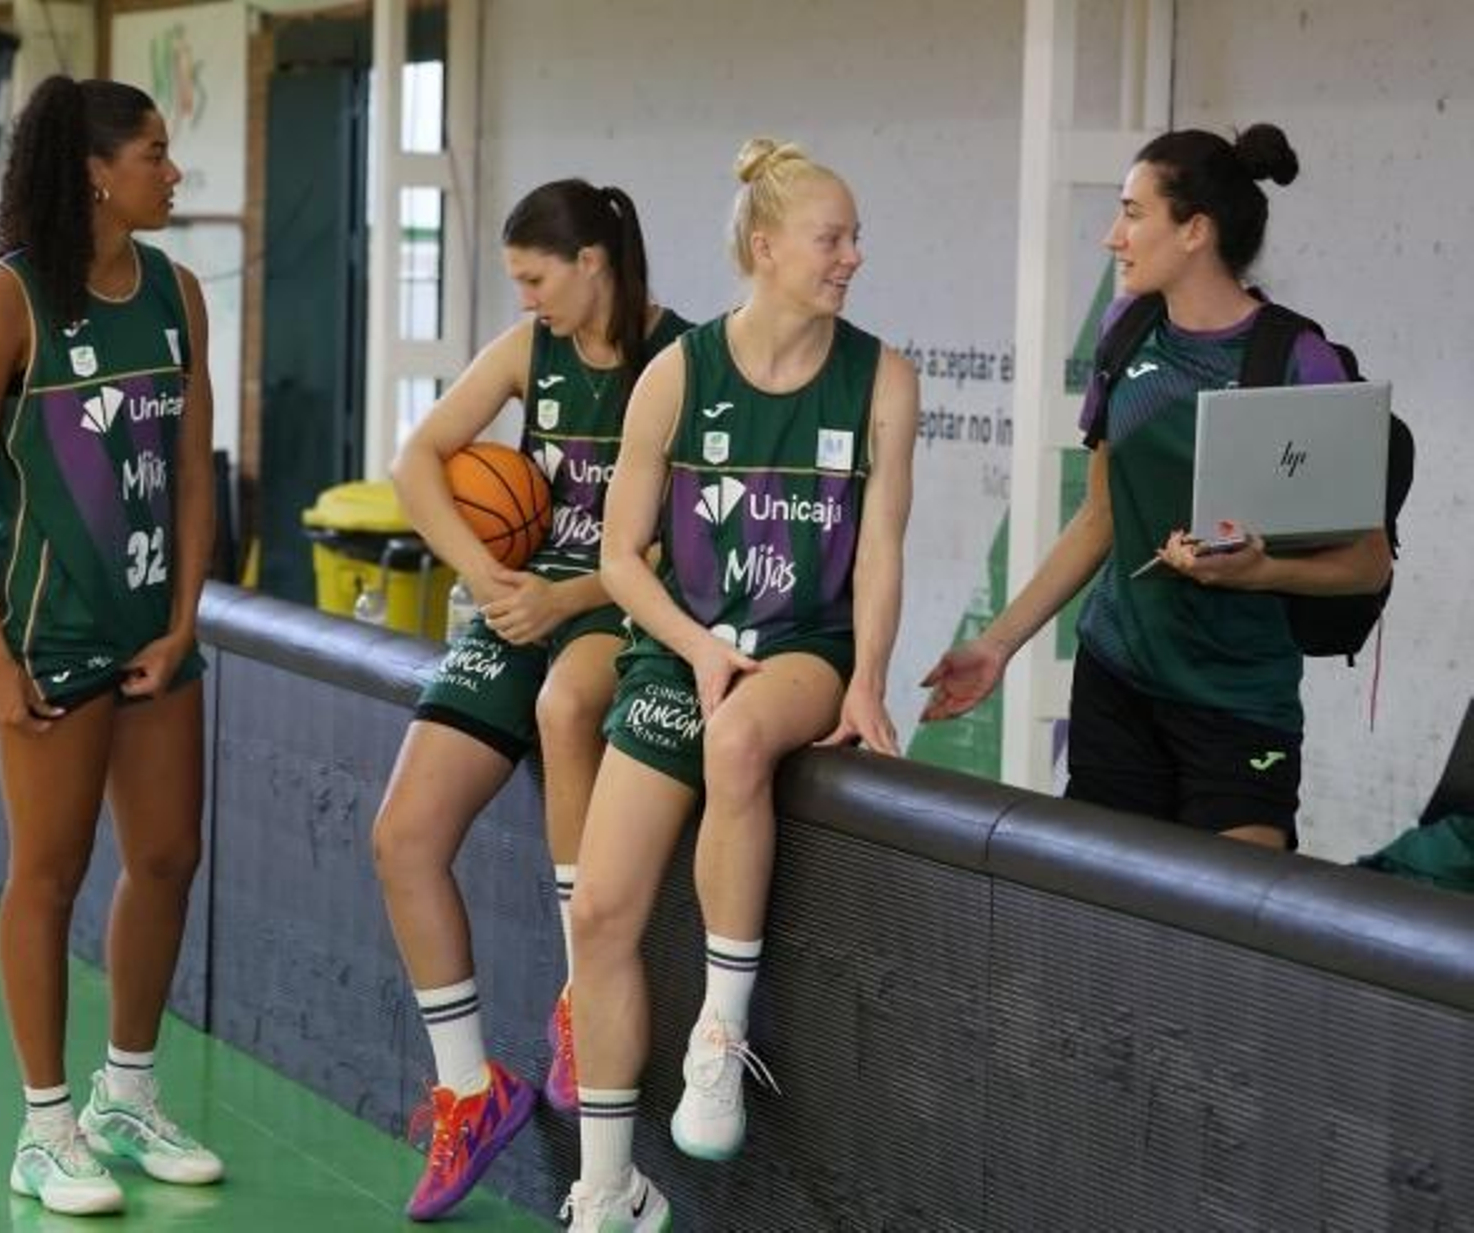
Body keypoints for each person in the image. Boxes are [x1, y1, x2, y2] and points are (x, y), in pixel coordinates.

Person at [560, 138, 918, 1230]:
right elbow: (619, 556)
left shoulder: (882, 377)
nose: (853, 255)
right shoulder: (678, 371)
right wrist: (694, 645)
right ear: (765, 249)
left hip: (803, 647)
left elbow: (881, 552)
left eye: (854, 237)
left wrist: (866, 684)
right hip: (682, 645)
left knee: (734, 745)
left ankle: (720, 1033)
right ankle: (608, 1187)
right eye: (832, 238)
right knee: (602, 916)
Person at [922, 123, 1393, 851]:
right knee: (1103, 919)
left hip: (1239, 702)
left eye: (1134, 213)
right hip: (1117, 679)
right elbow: (1099, 515)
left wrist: (1260, 571)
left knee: (1227, 929)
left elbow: (1368, 563)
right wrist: (996, 645)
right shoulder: (1125, 329)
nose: (1114, 235)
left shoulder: (1300, 358)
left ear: (1195, 230)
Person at [371, 179, 690, 1221]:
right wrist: (490, 575)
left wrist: (568, 592)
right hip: (527, 605)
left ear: (593, 260)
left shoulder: (682, 362)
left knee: (566, 708)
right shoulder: (526, 356)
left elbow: (678, 538)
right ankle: (470, 1086)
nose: (526, 301)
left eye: (535, 278)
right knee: (403, 835)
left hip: (619, 607)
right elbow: (414, 461)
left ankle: (574, 999)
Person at [0, 76, 222, 1216]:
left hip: (155, 630)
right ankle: (44, 1128)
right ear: (98, 171)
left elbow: (194, 469)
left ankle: (125, 1096)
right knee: (46, 877)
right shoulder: (7, 305)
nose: (171, 169)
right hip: (48, 632)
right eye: (155, 152)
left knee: (167, 858)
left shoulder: (179, 295)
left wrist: (188, 614)